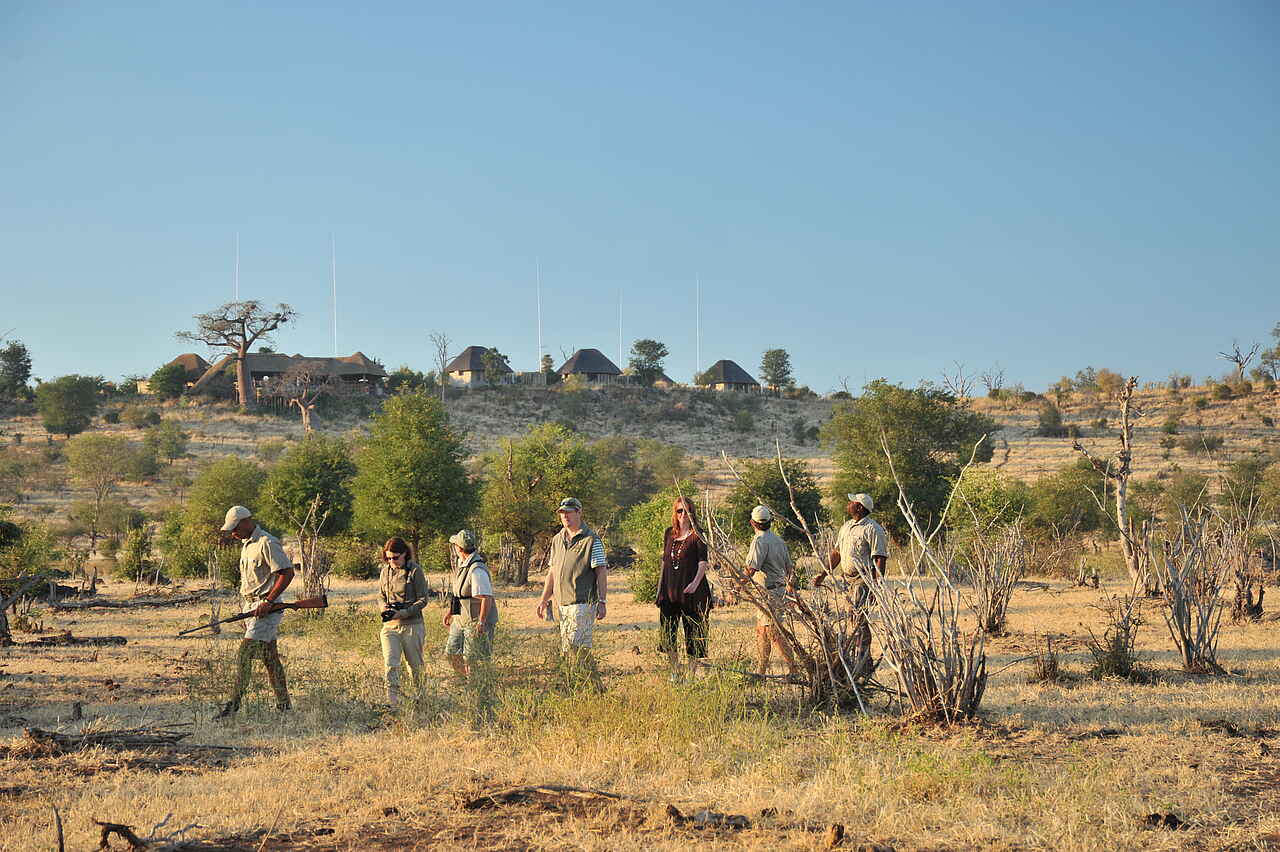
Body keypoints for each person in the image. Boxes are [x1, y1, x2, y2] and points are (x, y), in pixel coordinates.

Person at [214, 505, 294, 719]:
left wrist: (268, 601)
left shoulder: (267, 542)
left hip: (266, 609)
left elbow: (287, 573)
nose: (233, 533)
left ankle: (233, 706)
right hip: (251, 608)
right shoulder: (247, 545)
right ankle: (284, 705)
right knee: (270, 658)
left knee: (244, 654)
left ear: (246, 522)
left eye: (235, 528)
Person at [536, 497, 608, 681]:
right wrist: (544, 600)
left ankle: (589, 686)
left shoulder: (591, 540)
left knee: (578, 648)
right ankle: (583, 686)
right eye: (562, 512)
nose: (565, 516)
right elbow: (552, 572)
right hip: (563, 604)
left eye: (569, 512)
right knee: (569, 649)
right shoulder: (557, 540)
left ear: (579, 512)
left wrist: (602, 601)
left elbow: (601, 571)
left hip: (582, 603)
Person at [656, 496, 711, 682]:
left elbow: (703, 561)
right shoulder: (669, 533)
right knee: (668, 634)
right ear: (675, 513)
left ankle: (691, 676)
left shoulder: (698, 534)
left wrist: (695, 583)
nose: (683, 515)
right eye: (679, 511)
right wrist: (660, 588)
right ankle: (674, 672)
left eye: (687, 511)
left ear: (692, 512)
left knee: (693, 634)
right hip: (670, 591)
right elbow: (664, 561)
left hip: (692, 592)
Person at [744, 505, 798, 678]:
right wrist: (790, 590)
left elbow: (751, 569)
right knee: (762, 632)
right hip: (777, 591)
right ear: (770, 522)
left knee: (774, 633)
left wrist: (737, 584)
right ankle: (761, 672)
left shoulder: (759, 541)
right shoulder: (778, 540)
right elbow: (790, 569)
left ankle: (794, 670)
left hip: (768, 593)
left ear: (752, 523)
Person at [378, 536, 431, 707]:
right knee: (391, 663)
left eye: (395, 557)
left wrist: (404, 613)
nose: (392, 561)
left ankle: (421, 699)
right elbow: (380, 595)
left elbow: (423, 599)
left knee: (414, 665)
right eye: (388, 558)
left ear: (405, 554)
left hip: (412, 625)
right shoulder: (385, 571)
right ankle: (392, 701)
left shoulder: (415, 571)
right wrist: (384, 609)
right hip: (389, 626)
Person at [443, 529, 498, 680]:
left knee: (472, 659)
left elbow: (486, 598)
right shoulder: (462, 564)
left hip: (475, 621)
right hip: (460, 619)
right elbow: (459, 594)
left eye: (455, 545)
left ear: (459, 548)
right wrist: (451, 612)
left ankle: (475, 685)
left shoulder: (477, 569)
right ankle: (463, 681)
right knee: (451, 653)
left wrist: (481, 622)